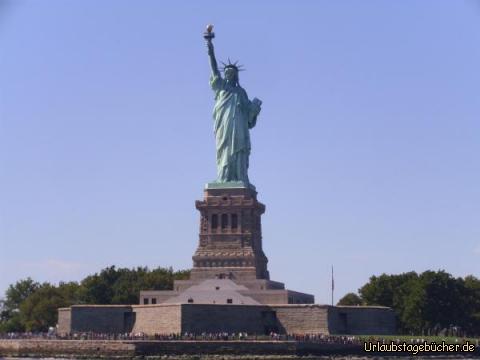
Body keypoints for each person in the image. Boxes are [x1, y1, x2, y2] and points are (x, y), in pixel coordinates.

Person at [206, 37, 262, 185]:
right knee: (224, 150)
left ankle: (240, 177)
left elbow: (249, 117)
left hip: (238, 127)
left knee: (238, 149)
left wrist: (254, 109)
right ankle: (223, 177)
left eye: (231, 72)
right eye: (226, 72)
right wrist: (210, 50)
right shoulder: (221, 87)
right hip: (224, 126)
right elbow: (213, 69)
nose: (228, 74)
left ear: (236, 75)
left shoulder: (241, 92)